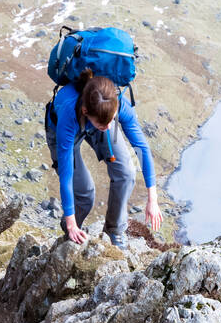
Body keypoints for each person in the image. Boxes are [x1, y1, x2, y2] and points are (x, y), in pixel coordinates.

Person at [45, 72, 163, 247]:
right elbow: (66, 174)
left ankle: (114, 231)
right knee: (85, 192)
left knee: (126, 172)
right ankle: (72, 229)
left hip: (98, 115)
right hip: (63, 127)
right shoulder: (68, 116)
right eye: (103, 125)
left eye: (112, 120)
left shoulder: (117, 104)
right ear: (86, 112)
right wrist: (70, 222)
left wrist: (152, 199)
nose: (108, 128)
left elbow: (142, 148)